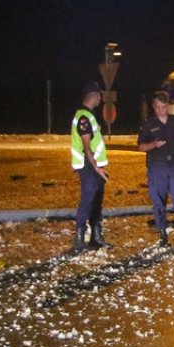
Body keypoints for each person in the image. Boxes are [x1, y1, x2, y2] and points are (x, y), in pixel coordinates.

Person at [138, 91, 174, 246]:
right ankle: (163, 237)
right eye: (158, 107)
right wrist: (154, 145)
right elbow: (141, 147)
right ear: (154, 107)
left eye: (164, 107)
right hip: (157, 167)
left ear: (167, 106)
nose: (161, 110)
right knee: (158, 203)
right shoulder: (149, 124)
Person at [70, 82, 111, 253]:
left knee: (96, 201)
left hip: (94, 166)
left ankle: (96, 237)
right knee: (87, 200)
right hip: (89, 166)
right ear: (92, 95)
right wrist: (96, 167)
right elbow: (86, 146)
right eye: (99, 95)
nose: (100, 98)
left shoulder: (88, 115)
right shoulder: (84, 117)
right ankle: (79, 240)